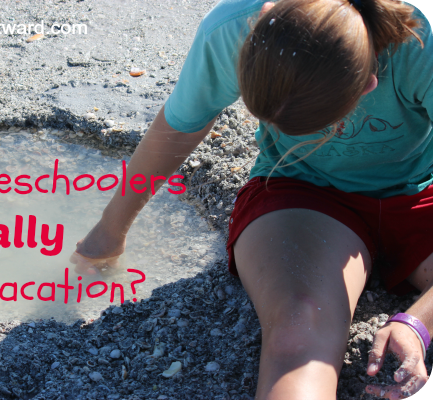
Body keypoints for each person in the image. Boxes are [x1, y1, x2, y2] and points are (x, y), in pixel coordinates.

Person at [70, 0, 432, 398]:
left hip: (422, 190)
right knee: (299, 326)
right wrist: (109, 230)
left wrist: (419, 322)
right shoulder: (231, 29)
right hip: (304, 190)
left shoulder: (422, 40)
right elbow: (181, 125)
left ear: (368, 83)